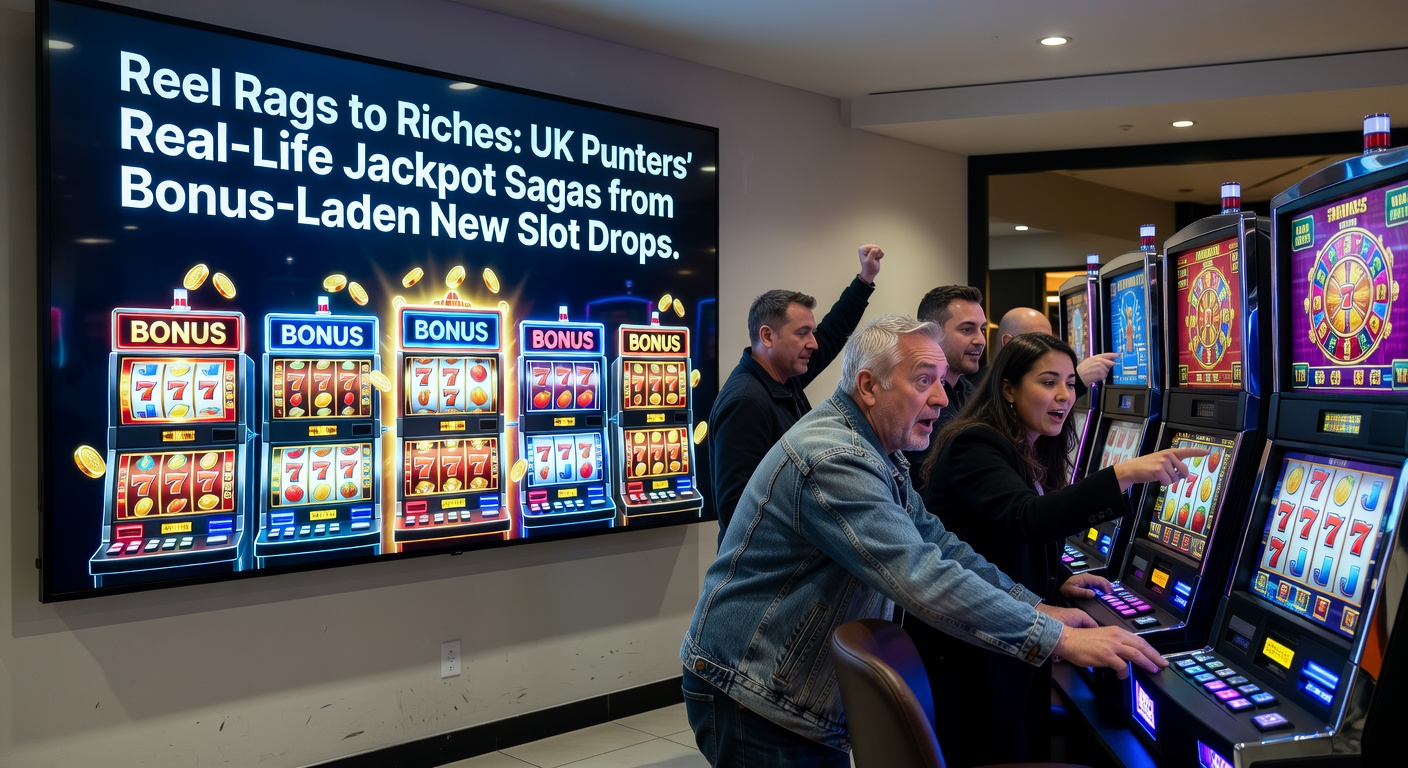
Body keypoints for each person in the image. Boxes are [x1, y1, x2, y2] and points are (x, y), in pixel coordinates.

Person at [680, 317, 1168, 768]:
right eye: (923, 381)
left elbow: (940, 545)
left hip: (788, 685)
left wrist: (1035, 607)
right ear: (869, 387)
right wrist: (1058, 638)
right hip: (753, 689)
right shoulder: (834, 459)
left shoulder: (874, 450)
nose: (940, 397)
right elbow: (921, 575)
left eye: (940, 380)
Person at [904, 332, 1203, 767]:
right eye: (1048, 382)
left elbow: (994, 536)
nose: (1064, 395)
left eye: (1070, 383)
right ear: (1007, 388)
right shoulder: (975, 443)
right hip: (970, 657)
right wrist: (1123, 473)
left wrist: (1058, 578)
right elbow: (1027, 517)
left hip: (999, 645)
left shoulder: (1023, 445)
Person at [708, 244, 883, 546]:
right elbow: (737, 509)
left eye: (811, 333)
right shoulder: (746, 402)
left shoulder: (783, 380)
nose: (813, 343)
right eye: (802, 333)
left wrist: (864, 280)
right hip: (759, 570)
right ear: (767, 336)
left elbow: (832, 332)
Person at [996, 306, 1116, 387]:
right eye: (1038, 341)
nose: (1047, 349)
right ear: (1008, 342)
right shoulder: (993, 390)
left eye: (1049, 340)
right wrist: (1077, 379)